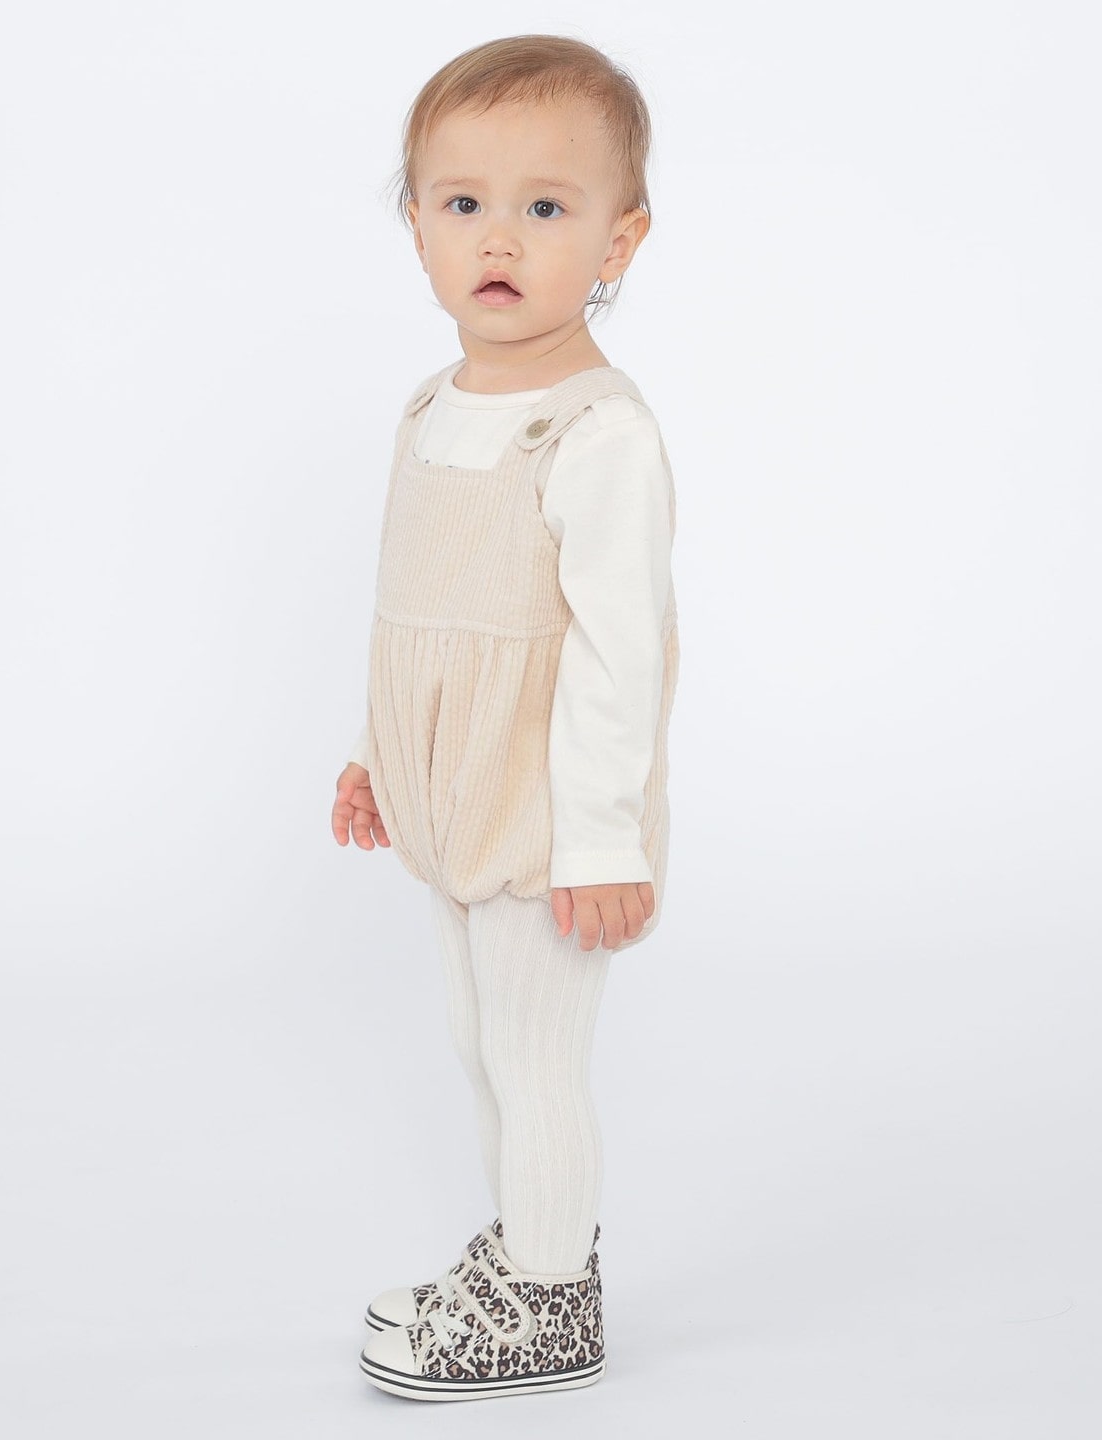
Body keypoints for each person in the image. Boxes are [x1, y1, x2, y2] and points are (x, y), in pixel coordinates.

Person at [330, 34, 680, 1401]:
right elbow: (417, 614)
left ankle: (550, 1301)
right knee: (480, 1043)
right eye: (462, 201)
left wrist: (600, 840)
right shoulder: (433, 407)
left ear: (618, 239)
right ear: (415, 223)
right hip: (454, 791)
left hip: (546, 814)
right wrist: (380, 759)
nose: (499, 236)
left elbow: (619, 658)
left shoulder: (596, 434)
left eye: (546, 205)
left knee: (535, 1057)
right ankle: (530, 1253)